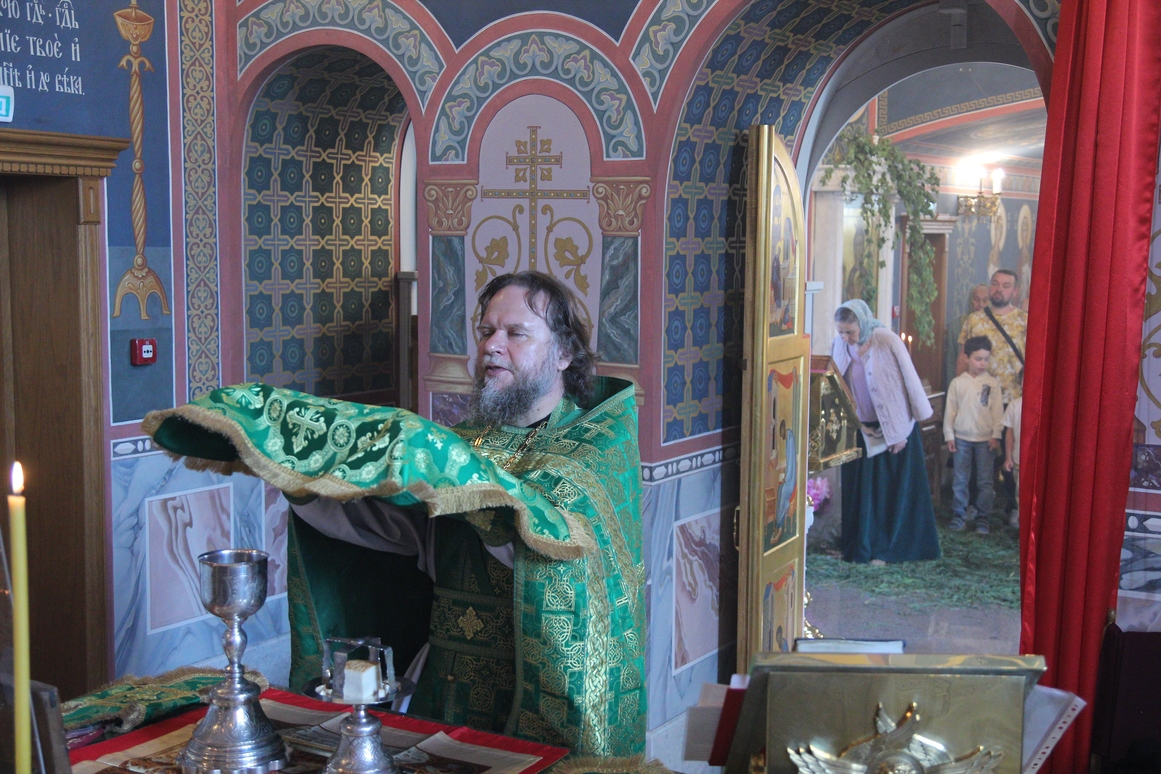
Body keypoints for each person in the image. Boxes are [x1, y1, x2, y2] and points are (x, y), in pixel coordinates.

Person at [142, 271, 645, 757]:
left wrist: (472, 489)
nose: (492, 346)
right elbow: (405, 534)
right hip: (444, 678)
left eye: (516, 333)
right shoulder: (467, 443)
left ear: (564, 353)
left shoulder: (594, 449)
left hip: (533, 687)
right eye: (486, 331)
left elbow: (560, 553)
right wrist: (303, 476)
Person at [831, 299, 940, 564]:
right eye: (841, 332)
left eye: (850, 332)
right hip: (861, 428)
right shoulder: (840, 344)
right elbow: (835, 380)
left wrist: (902, 431)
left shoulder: (886, 340)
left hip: (894, 428)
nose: (845, 337)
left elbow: (909, 380)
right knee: (860, 492)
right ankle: (859, 545)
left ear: (863, 323)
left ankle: (887, 549)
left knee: (887, 493)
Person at [945, 337, 1004, 534]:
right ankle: (959, 515)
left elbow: (997, 411)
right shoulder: (957, 383)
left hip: (985, 440)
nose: (982, 363)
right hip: (961, 438)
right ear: (966, 357)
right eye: (978, 359)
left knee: (985, 480)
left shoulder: (992, 384)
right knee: (960, 479)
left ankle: (983, 517)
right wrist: (949, 435)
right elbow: (950, 411)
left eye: (986, 359)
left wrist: (996, 434)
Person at [957, 269, 1027, 405]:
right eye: (995, 284)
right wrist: (960, 391)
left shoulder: (1025, 321)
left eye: (1006, 286)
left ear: (1015, 292)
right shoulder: (974, 319)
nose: (999, 289)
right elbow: (963, 358)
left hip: (1014, 398)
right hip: (980, 398)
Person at [945, 284, 989, 389]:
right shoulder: (956, 325)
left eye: (985, 300)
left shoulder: (994, 326)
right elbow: (951, 362)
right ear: (970, 300)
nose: (980, 304)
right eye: (976, 299)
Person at [1003, 373, 1023, 529]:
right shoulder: (1015, 406)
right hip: (1019, 460)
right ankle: (1023, 528)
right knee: (1020, 494)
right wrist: (1008, 457)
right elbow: (1009, 433)